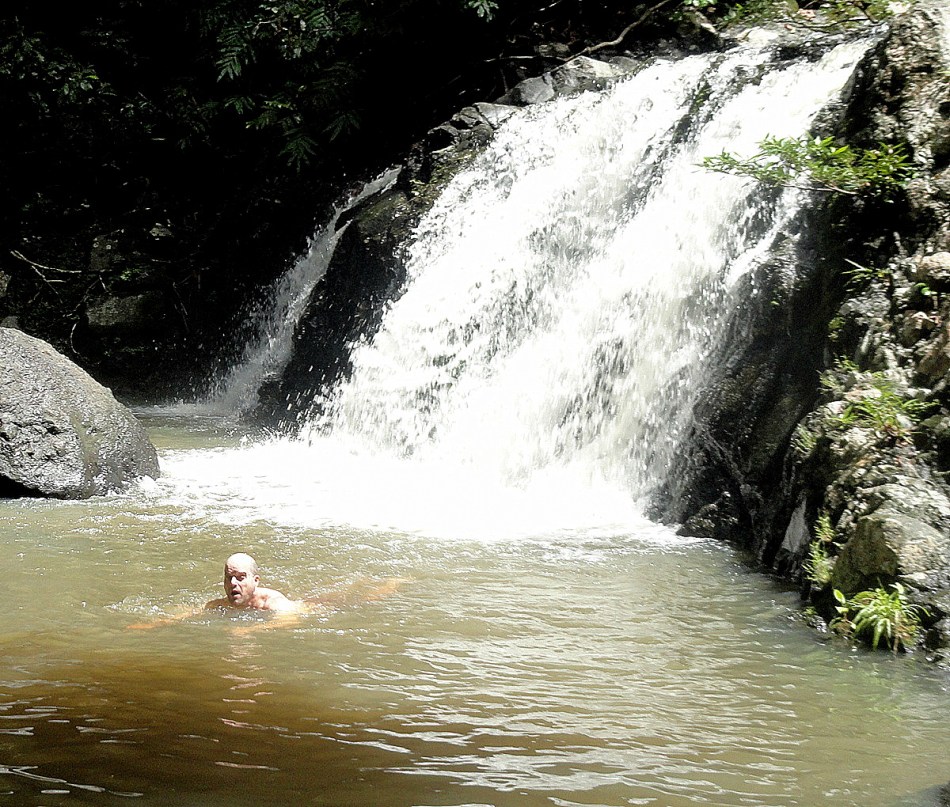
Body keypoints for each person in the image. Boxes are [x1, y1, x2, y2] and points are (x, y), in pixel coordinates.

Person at [204, 552, 305, 614]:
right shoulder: (220, 605)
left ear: (255, 581)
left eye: (240, 577)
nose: (232, 583)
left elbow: (289, 620)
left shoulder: (273, 603)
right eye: (229, 577)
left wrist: (248, 629)